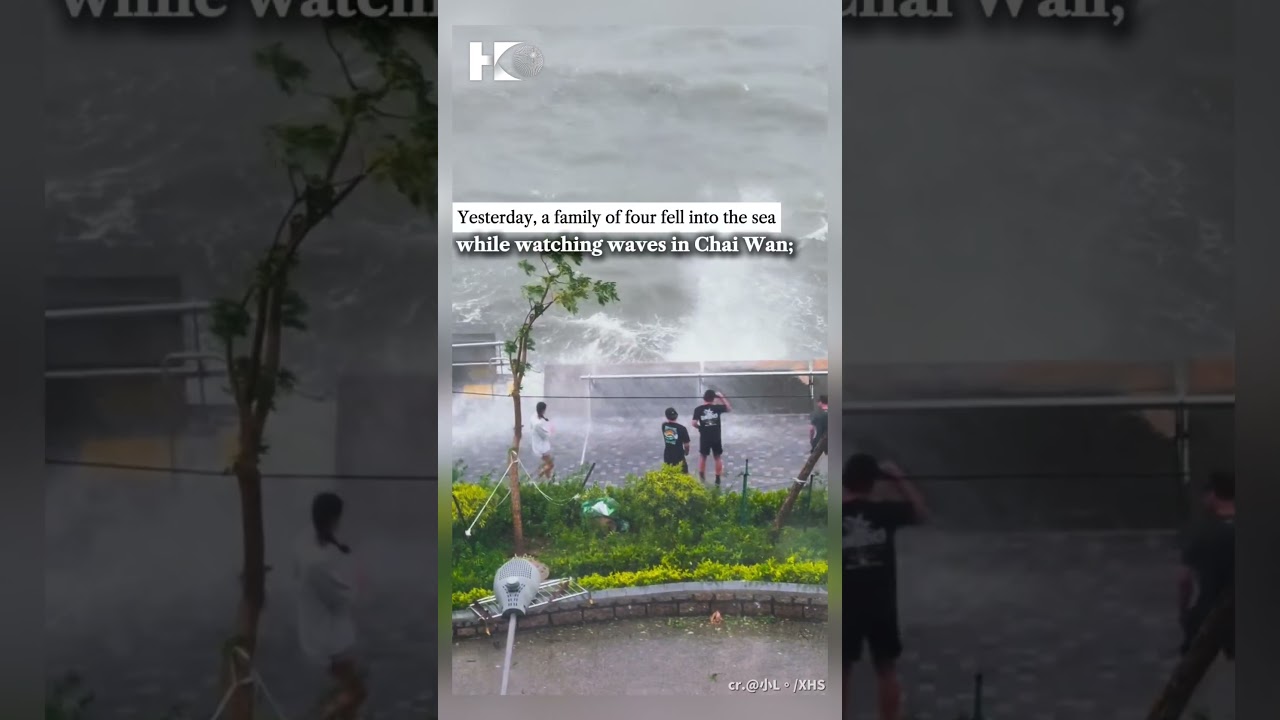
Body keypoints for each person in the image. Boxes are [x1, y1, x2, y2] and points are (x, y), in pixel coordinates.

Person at [843, 453, 927, 720]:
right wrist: (899, 479)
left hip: (844, 605)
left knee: (841, 671)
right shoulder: (885, 512)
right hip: (881, 604)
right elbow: (921, 513)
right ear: (875, 482)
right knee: (886, 669)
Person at [295, 492, 367, 720]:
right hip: (329, 642)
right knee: (356, 693)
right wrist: (358, 584)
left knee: (351, 694)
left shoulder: (305, 540)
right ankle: (325, 716)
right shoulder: (316, 563)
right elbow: (341, 598)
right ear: (333, 519)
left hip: (323, 633)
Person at [1178, 470, 1235, 659]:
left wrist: (1184, 612)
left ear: (1213, 495)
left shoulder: (1202, 533)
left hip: (1211, 616)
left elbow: (1185, 580)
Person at [691, 389, 731, 485]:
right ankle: (717, 478)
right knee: (717, 457)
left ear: (704, 398)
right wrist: (721, 397)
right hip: (716, 436)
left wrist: (700, 427)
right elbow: (729, 408)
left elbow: (693, 423)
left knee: (703, 456)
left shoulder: (698, 409)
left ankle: (702, 477)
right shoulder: (716, 408)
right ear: (713, 399)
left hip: (705, 436)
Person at [661, 407, 691, 473]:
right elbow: (686, 444)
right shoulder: (682, 429)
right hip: (679, 455)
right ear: (676, 416)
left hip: (668, 455)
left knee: (669, 474)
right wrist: (686, 452)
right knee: (684, 474)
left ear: (667, 416)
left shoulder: (664, 426)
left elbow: (666, 422)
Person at [531, 401, 554, 480]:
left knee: (547, 464)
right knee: (550, 465)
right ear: (542, 410)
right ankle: (538, 476)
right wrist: (550, 430)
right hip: (541, 447)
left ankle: (549, 480)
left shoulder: (534, 416)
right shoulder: (537, 424)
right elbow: (544, 435)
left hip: (539, 445)